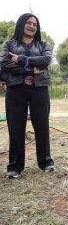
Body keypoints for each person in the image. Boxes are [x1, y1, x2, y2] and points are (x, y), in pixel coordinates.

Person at [0, 13, 54, 179]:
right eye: (29, 23)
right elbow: (3, 63)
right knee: (16, 127)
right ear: (21, 24)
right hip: (16, 88)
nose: (32, 26)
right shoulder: (9, 44)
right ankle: (15, 167)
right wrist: (30, 69)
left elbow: (45, 60)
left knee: (42, 126)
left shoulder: (43, 44)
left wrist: (21, 59)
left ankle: (45, 162)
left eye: (35, 24)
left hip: (40, 88)